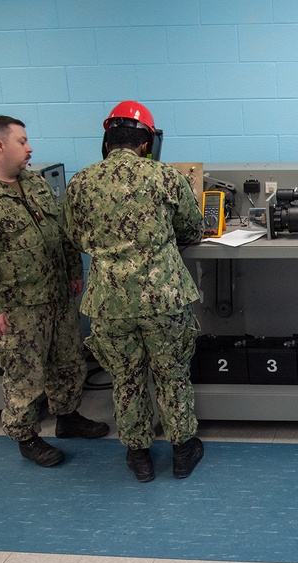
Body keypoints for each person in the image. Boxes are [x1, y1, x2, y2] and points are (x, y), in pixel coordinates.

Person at [0, 115, 109, 467]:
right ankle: (26, 436)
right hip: (17, 308)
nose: (30, 147)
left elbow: (60, 229)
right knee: (24, 375)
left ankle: (68, 417)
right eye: (22, 141)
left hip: (56, 296)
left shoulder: (34, 184)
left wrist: (71, 269)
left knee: (68, 362)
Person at [63, 101, 205, 483]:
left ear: (106, 142)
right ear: (147, 143)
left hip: (108, 302)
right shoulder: (165, 177)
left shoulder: (80, 182)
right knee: (172, 374)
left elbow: (75, 237)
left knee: (127, 378)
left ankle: (139, 455)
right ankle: (181, 451)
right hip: (163, 297)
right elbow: (192, 230)